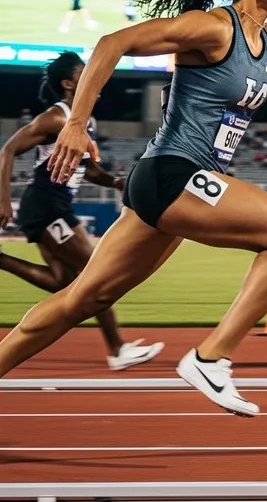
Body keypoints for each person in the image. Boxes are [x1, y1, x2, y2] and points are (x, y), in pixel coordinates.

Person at [0, 0, 267, 417]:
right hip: (171, 174)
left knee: (82, 299)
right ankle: (210, 358)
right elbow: (113, 43)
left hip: (178, 186)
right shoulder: (213, 28)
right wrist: (75, 123)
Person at [0, 52, 163, 371]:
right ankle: (117, 349)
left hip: (54, 204)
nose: (93, 76)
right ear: (68, 84)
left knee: (62, 280)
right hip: (46, 205)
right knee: (96, 273)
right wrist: (3, 201)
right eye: (83, 72)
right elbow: (7, 150)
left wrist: (115, 181)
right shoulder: (56, 118)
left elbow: (87, 169)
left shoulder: (86, 121)